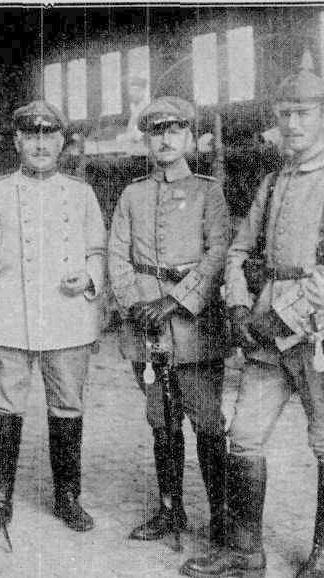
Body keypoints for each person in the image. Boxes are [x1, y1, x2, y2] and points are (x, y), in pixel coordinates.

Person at [180, 56, 324, 578]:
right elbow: (240, 249)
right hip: (266, 337)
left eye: (304, 113)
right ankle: (245, 551)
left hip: (318, 338)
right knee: (243, 438)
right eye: (285, 113)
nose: (292, 124)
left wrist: (277, 316)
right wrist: (241, 305)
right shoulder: (272, 183)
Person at [0, 100, 106, 536]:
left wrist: (89, 276)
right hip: (10, 318)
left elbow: (99, 251)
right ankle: (0, 500)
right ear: (17, 142)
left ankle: (68, 496)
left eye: (50, 136)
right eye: (32, 136)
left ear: (62, 142)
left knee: (68, 406)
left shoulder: (81, 194)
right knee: (4, 407)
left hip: (67, 321)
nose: (41, 144)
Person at [108, 96, 231, 544]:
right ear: (146, 139)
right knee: (161, 418)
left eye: (174, 130)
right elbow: (116, 255)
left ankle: (220, 514)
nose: (165, 139)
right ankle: (170, 509)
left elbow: (219, 252)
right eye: (156, 131)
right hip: (145, 322)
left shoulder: (207, 190)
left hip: (193, 324)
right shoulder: (132, 193)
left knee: (207, 420)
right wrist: (134, 302)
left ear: (188, 137)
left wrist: (177, 300)